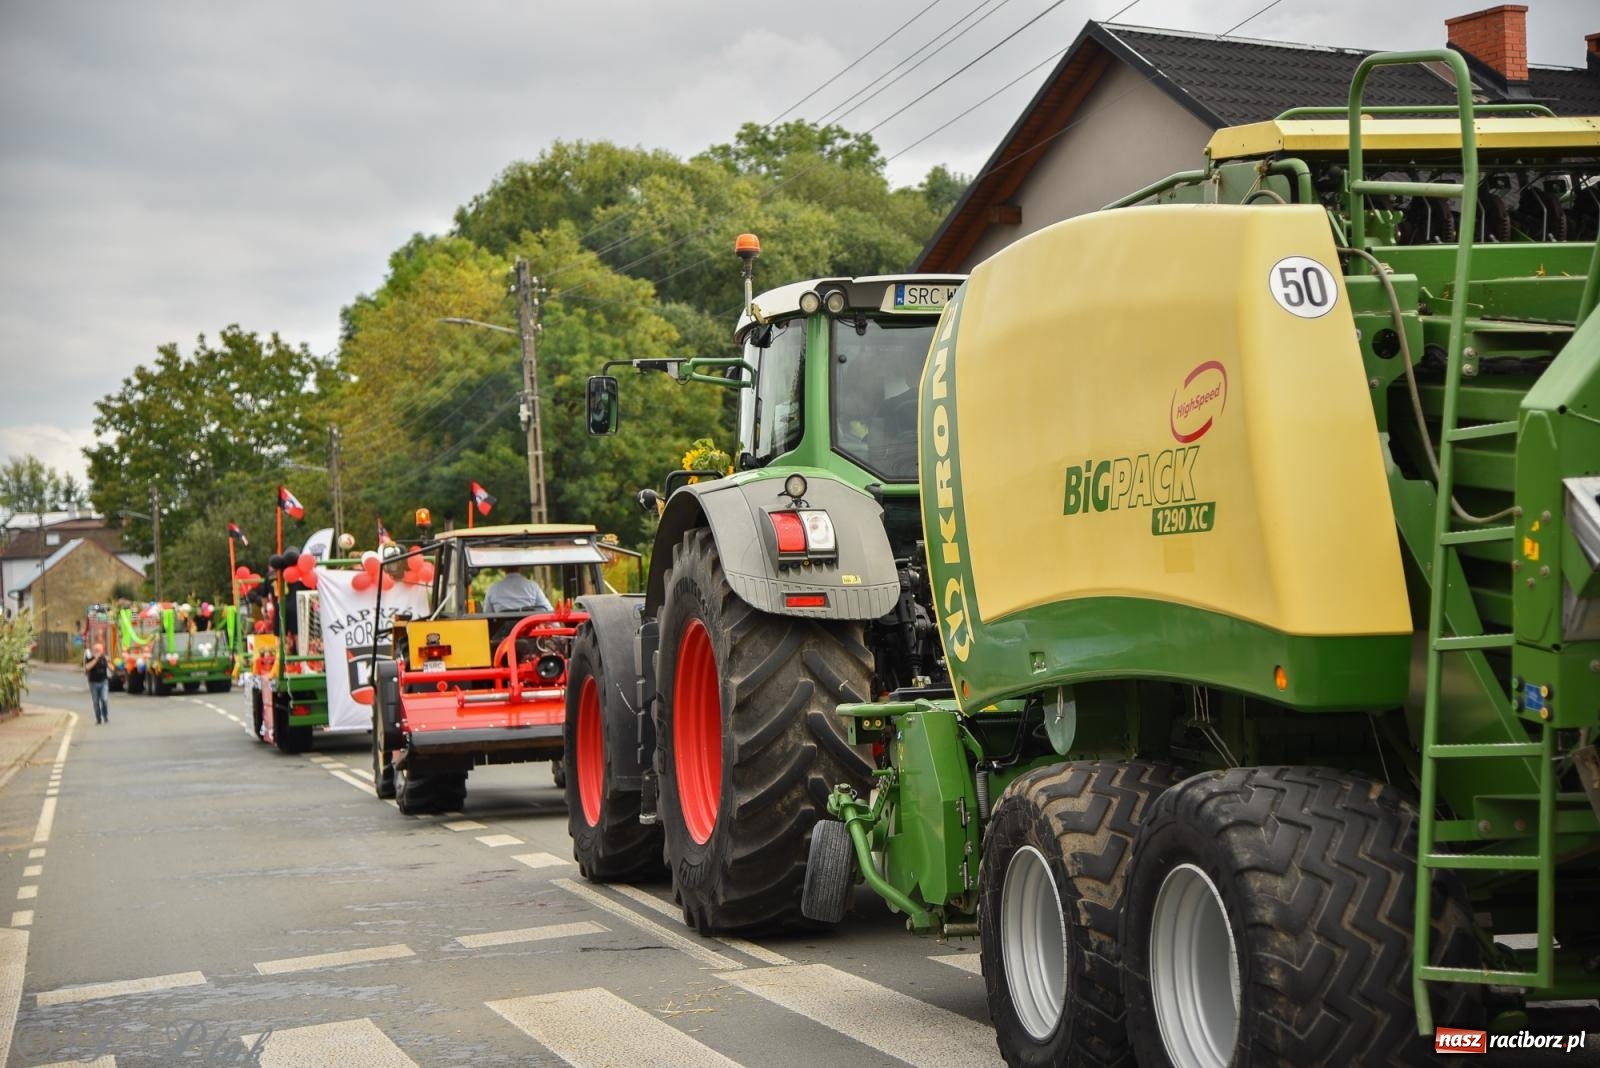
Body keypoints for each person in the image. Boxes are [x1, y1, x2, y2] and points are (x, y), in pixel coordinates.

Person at [483, 566, 553, 615]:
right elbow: (547, 610)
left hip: (501, 633)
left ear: (502, 568)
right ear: (521, 567)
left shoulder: (493, 589)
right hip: (527, 631)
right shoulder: (532, 586)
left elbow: (487, 615)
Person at [84, 642, 110, 724]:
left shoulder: (104, 659)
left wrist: (108, 662)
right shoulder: (90, 658)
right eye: (96, 650)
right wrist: (96, 659)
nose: (98, 651)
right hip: (93, 683)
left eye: (99, 650)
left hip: (103, 682)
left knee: (104, 699)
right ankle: (98, 718)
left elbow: (112, 668)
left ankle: (105, 715)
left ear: (102, 651)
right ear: (94, 651)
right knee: (96, 701)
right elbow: (87, 667)